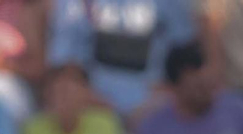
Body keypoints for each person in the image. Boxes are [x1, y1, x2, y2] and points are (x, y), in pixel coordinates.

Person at [47, 0, 198, 118]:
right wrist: (96, 102)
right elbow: (66, 65)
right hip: (95, 109)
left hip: (157, 105)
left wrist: (167, 95)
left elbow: (186, 50)